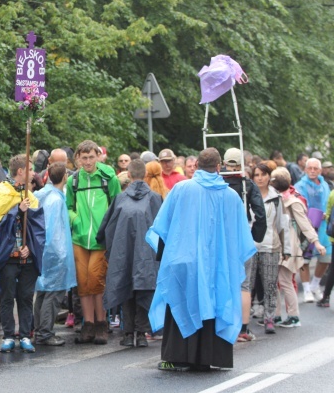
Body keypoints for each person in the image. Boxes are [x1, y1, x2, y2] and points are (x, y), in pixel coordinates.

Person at [147, 148, 256, 371]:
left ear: (195, 165)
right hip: (218, 265)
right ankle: (210, 356)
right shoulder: (231, 196)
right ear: (219, 167)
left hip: (183, 261)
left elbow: (163, 225)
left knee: (181, 300)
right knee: (214, 303)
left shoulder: (181, 189)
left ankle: (176, 355)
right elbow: (240, 236)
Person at [0, 154, 45, 353]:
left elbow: (38, 228)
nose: (33, 174)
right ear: (21, 171)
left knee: (25, 297)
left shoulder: (30, 196)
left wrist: (30, 247)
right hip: (9, 257)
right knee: (7, 297)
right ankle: (8, 335)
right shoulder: (3, 192)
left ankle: (25, 334)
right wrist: (17, 209)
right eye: (30, 170)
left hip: (27, 258)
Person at [98, 160, 162, 348]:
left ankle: (127, 333)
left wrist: (105, 243)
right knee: (144, 287)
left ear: (129, 174)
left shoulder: (120, 199)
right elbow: (163, 228)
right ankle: (141, 333)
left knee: (126, 287)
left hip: (122, 251)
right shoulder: (155, 198)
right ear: (145, 174)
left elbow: (107, 226)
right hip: (147, 254)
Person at [66, 140, 121, 345]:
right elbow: (68, 206)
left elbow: (117, 205)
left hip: (100, 238)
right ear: (78, 159)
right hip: (79, 238)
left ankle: (101, 323)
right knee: (83, 282)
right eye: (84, 158)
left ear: (98, 156)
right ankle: (87, 324)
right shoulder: (74, 181)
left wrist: (106, 227)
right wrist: (76, 220)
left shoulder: (109, 178)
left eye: (91, 157)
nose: (88, 161)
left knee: (96, 280)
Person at [221, 148, 266, 342]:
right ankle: (243, 330)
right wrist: (256, 235)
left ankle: (223, 326)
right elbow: (260, 213)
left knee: (222, 281)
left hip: (221, 238)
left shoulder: (217, 183)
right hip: (241, 236)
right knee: (244, 284)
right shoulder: (247, 185)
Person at [270, 170, 325, 326]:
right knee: (274, 282)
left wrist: (316, 242)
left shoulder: (293, 202)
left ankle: (293, 316)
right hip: (275, 244)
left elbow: (305, 224)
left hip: (289, 246)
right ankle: (276, 315)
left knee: (285, 281)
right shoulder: (275, 200)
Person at [33, 162, 77, 346]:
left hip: (42, 251)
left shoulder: (41, 195)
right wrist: (61, 255)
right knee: (53, 293)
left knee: (43, 292)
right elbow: (54, 229)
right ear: (65, 177)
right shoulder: (56, 200)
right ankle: (45, 332)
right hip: (53, 253)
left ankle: (39, 329)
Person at [250, 162, 291, 334]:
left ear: (269, 176)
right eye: (257, 175)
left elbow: (283, 224)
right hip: (250, 246)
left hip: (271, 245)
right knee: (247, 284)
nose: (260, 178)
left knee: (270, 284)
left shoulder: (276, 198)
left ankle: (269, 318)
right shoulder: (247, 195)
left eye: (263, 174)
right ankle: (242, 322)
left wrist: (286, 248)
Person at [294, 158, 332, 302]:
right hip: (306, 226)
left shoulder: (325, 185)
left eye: (315, 168)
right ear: (305, 169)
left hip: (323, 227)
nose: (312, 171)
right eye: (310, 168)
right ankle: (307, 290)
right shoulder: (300, 185)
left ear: (320, 171)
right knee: (305, 258)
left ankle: (315, 285)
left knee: (326, 257)